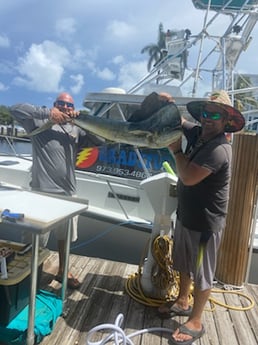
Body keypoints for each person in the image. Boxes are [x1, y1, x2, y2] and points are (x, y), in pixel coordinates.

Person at [157, 90, 245, 344]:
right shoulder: (198, 134)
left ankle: (195, 320)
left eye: (215, 114)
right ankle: (183, 301)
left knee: (203, 273)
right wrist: (170, 104)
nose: (208, 118)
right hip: (186, 216)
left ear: (227, 120)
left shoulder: (219, 149)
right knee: (184, 263)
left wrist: (175, 150)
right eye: (206, 112)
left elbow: (188, 177)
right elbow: (181, 122)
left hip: (206, 224)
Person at [10, 92, 91, 289]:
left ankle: (63, 269)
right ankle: (32, 272)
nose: (65, 107)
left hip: (68, 194)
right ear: (54, 105)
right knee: (35, 239)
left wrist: (83, 119)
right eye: (61, 103)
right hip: (41, 192)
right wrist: (48, 114)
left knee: (66, 238)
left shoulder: (75, 129)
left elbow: (101, 140)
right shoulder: (36, 123)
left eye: (69, 105)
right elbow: (15, 108)